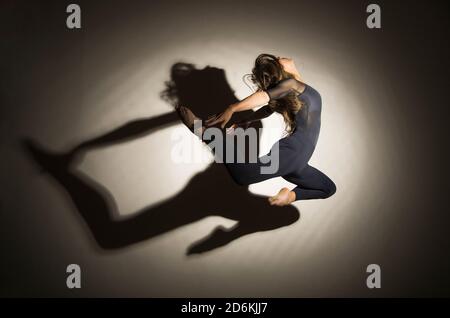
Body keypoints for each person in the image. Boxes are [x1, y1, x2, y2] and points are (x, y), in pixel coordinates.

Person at [176, 53, 336, 206]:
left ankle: (291, 196)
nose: (280, 57)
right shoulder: (292, 85)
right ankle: (205, 133)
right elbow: (264, 98)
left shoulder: (297, 90)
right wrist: (232, 108)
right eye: (278, 59)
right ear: (281, 71)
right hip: (293, 152)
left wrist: (246, 120)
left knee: (328, 188)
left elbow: (268, 109)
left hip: (299, 162)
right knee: (244, 175)